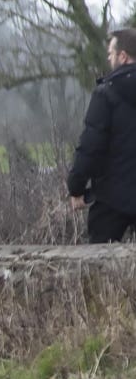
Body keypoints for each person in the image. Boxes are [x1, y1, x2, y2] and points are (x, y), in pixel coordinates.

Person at [69, 29, 136, 244]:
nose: (109, 58)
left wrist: (76, 187)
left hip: (111, 197)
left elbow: (91, 146)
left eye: (111, 54)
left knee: (98, 265)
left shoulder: (106, 93)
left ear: (122, 56)